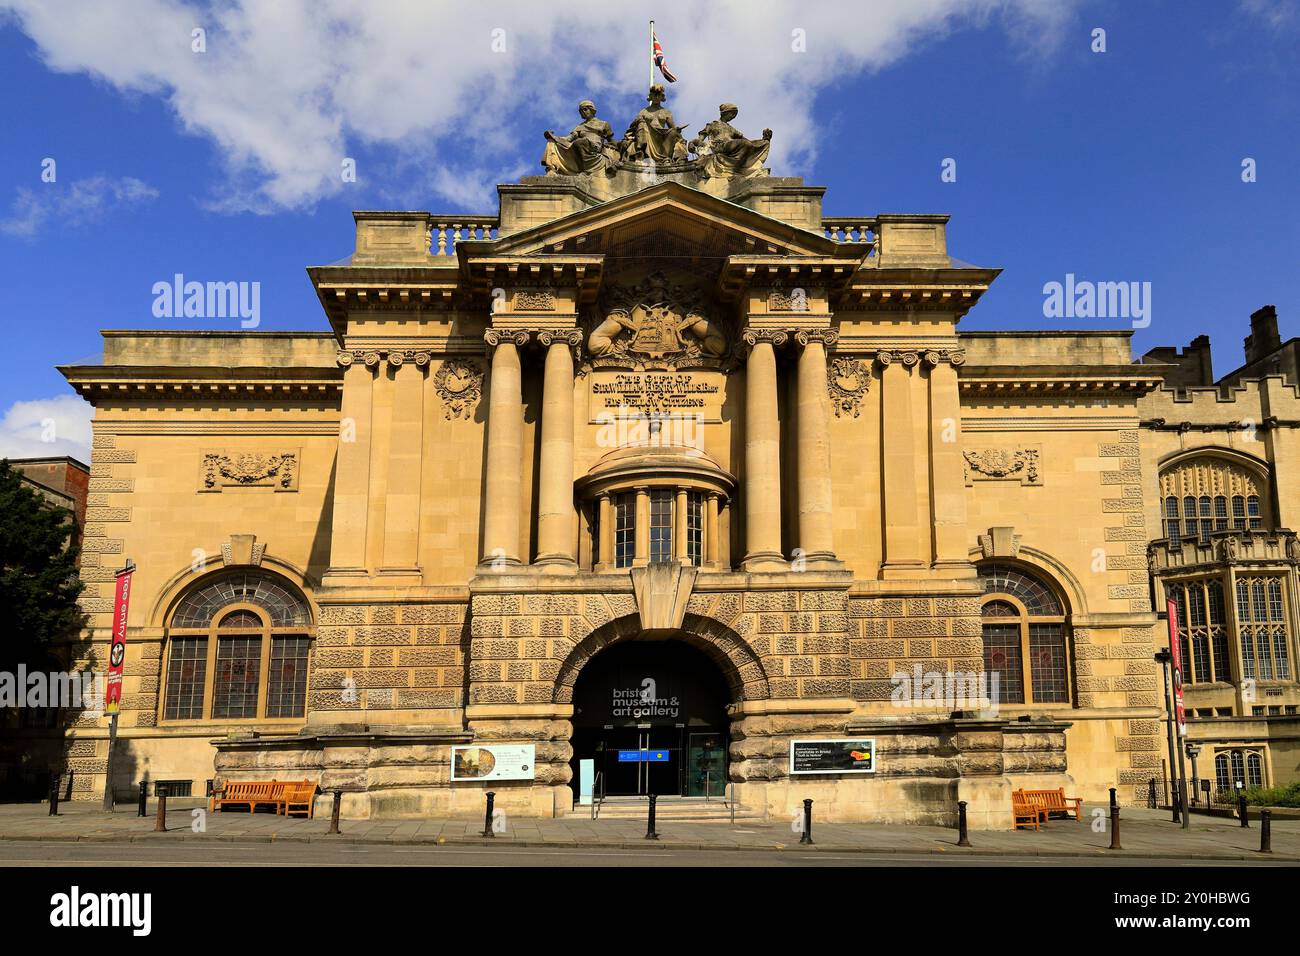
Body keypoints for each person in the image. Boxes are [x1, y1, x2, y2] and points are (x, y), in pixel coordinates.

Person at [690, 103, 772, 180]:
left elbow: (745, 139)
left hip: (730, 146)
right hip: (719, 146)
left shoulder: (731, 128)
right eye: (732, 114)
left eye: (734, 115)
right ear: (725, 113)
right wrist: (692, 143)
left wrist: (763, 141)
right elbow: (701, 137)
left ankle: (735, 169)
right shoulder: (713, 124)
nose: (732, 117)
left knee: (748, 145)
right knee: (744, 144)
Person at [542, 100, 617, 176]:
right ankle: (551, 168)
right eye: (581, 111)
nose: (583, 112)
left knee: (580, 142)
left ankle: (587, 170)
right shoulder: (579, 127)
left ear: (592, 109)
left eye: (585, 109)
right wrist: (554, 138)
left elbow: (611, 140)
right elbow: (568, 139)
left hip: (594, 146)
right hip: (580, 146)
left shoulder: (603, 124)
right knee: (551, 142)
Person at [625, 84, 688, 164]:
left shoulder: (666, 112)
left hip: (662, 136)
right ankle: (640, 151)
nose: (656, 97)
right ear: (651, 96)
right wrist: (640, 121)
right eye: (655, 95)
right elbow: (633, 125)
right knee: (642, 124)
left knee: (673, 132)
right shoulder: (644, 111)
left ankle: (666, 157)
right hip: (648, 135)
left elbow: (672, 128)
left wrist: (676, 130)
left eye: (659, 95)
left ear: (662, 97)